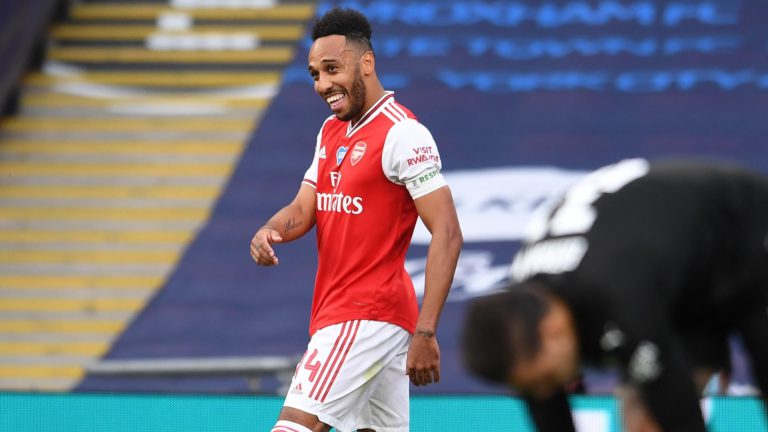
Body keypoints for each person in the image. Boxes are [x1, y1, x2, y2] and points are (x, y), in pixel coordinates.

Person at [250, 7, 463, 432]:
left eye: (332, 69)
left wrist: (426, 332)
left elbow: (448, 232)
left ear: (367, 62)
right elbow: (304, 208)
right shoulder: (330, 132)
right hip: (355, 315)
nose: (323, 84)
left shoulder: (403, 133)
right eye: (315, 74)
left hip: (365, 313)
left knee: (293, 426)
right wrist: (270, 229)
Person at [461, 158, 768, 432]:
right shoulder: (526, 320)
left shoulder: (615, 297)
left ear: (553, 329)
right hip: (683, 275)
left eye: (544, 380)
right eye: (530, 387)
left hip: (749, 225)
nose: (544, 392)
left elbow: (681, 418)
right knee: (647, 424)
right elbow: (549, 413)